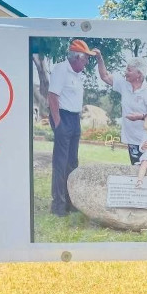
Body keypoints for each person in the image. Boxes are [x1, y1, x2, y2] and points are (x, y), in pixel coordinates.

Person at [47, 39, 96, 216]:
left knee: (72, 162)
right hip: (63, 117)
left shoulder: (76, 74)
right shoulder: (61, 69)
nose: (87, 63)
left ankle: (70, 201)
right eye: (85, 59)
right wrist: (58, 122)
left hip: (74, 119)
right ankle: (58, 206)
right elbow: (52, 97)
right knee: (60, 163)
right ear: (77, 57)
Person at [95, 55, 147, 165]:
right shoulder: (123, 85)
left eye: (129, 70)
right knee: (136, 170)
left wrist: (140, 117)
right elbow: (105, 76)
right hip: (132, 140)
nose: (125, 72)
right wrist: (100, 59)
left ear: (139, 74)